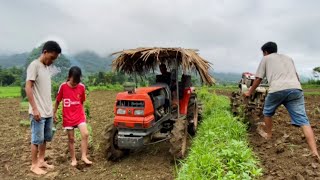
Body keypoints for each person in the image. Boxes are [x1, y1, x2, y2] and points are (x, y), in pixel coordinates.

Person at [244, 41, 320, 160]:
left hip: (277, 89)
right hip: (296, 88)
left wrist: (249, 92)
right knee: (304, 121)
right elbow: (296, 76)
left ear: (265, 52)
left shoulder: (266, 58)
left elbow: (258, 78)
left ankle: (269, 135)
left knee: (267, 112)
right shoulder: (288, 58)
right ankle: (314, 151)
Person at [25, 41, 61, 175]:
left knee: (45, 138)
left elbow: (45, 91)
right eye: (51, 58)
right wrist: (34, 109)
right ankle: (34, 165)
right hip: (38, 111)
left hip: (47, 111)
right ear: (45, 52)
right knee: (36, 139)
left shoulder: (46, 68)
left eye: (54, 59)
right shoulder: (34, 66)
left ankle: (41, 160)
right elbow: (28, 87)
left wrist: (52, 110)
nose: (52, 61)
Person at [53, 66, 92, 166]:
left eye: (77, 82)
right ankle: (73, 159)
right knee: (71, 139)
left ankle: (84, 156)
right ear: (69, 77)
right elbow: (57, 101)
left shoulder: (82, 87)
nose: (75, 84)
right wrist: (54, 113)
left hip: (79, 115)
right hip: (68, 116)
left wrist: (83, 114)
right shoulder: (63, 87)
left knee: (85, 134)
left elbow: (82, 102)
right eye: (74, 81)